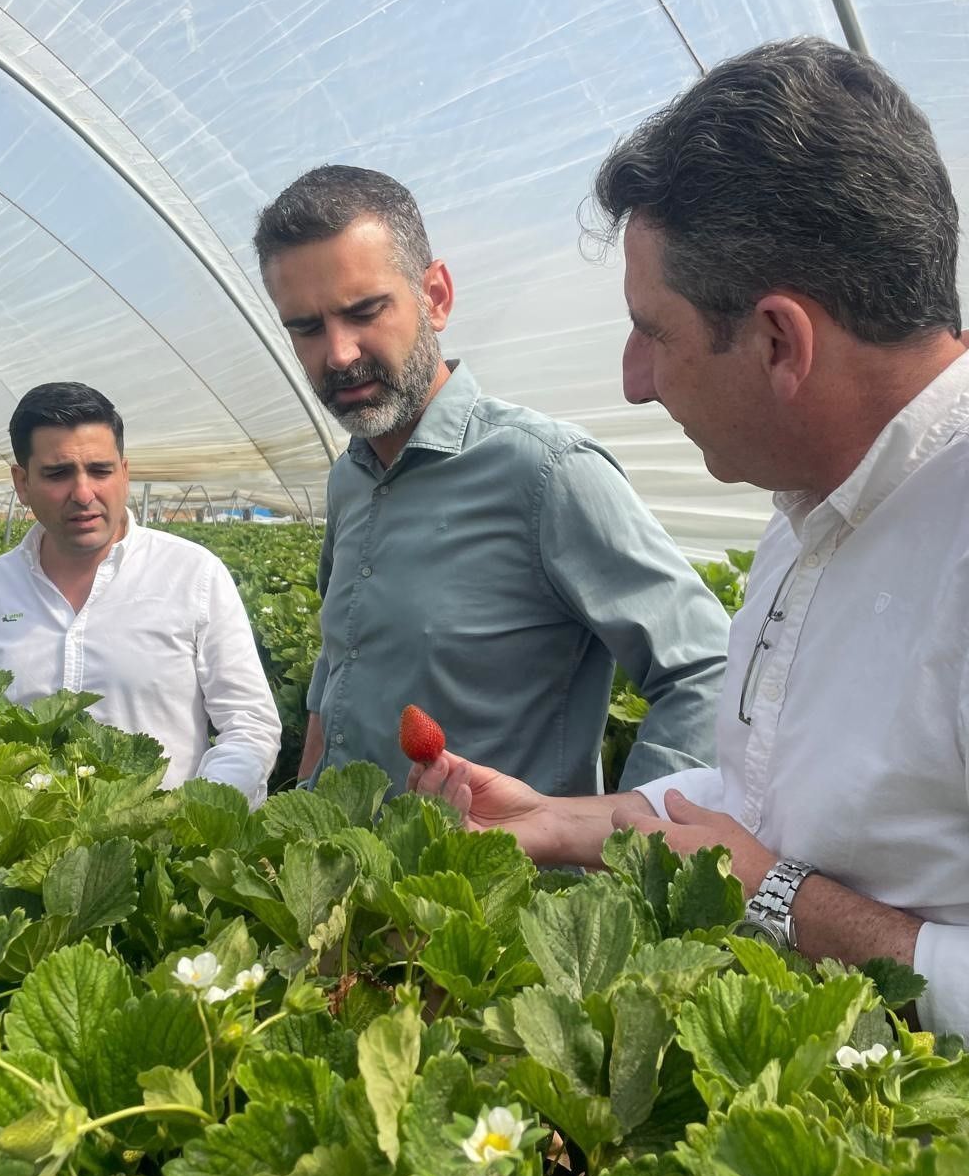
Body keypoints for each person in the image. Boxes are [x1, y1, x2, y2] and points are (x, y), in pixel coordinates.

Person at [408, 38, 969, 1176]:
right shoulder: (809, 509)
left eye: (654, 331)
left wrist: (792, 909)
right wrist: (568, 820)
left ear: (779, 341)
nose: (633, 378)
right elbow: (773, 801)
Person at [252, 165, 730, 798]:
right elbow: (338, 664)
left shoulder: (545, 471)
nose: (338, 353)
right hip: (342, 885)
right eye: (306, 328)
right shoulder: (351, 477)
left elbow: (705, 668)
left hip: (499, 889)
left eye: (364, 311)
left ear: (436, 296)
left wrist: (624, 842)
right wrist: (307, 791)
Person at [0, 382, 281, 806]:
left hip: (166, 854)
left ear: (124, 472)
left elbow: (249, 722)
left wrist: (199, 814)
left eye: (101, 470)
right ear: (22, 482)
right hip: (22, 852)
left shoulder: (193, 575)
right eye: (58, 474)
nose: (84, 494)